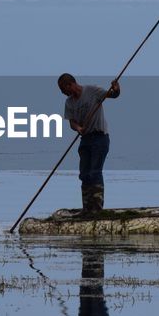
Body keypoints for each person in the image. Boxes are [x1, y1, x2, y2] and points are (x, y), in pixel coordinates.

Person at [57, 73, 120, 214]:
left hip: (100, 138)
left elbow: (113, 95)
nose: (63, 93)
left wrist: (116, 89)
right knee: (85, 174)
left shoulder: (92, 91)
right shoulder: (69, 102)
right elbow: (72, 123)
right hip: (85, 139)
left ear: (70, 85)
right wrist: (78, 128)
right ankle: (87, 208)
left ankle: (96, 209)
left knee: (95, 172)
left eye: (63, 89)